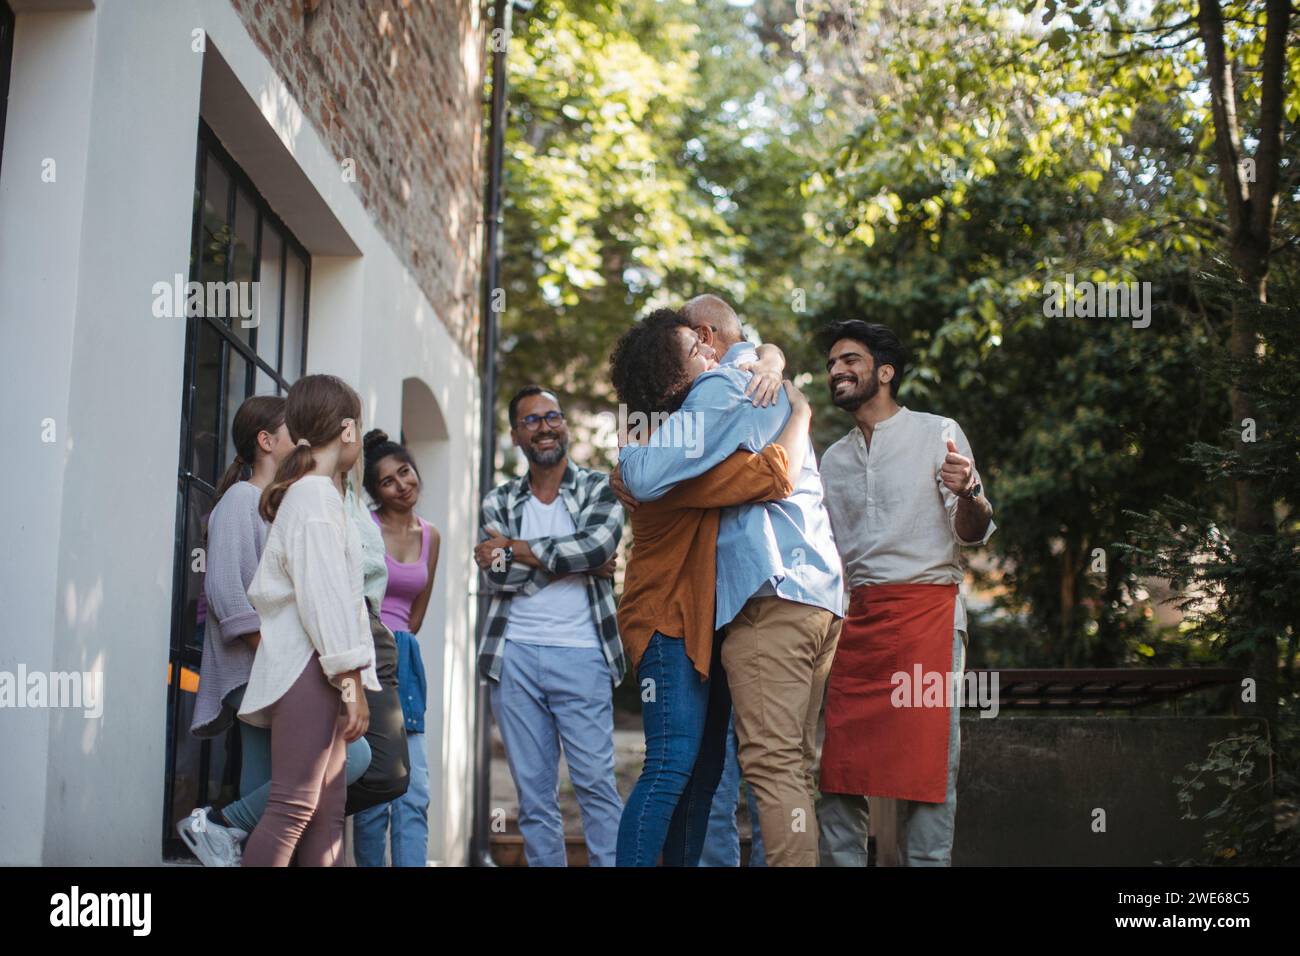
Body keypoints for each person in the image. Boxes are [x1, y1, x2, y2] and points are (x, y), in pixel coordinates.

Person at [614, 294, 844, 867]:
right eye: (696, 349)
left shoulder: (707, 420)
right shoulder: (676, 450)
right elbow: (771, 473)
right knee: (677, 765)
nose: (710, 354)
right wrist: (800, 414)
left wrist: (771, 358)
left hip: (713, 623)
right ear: (675, 375)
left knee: (712, 770)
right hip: (670, 625)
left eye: (703, 340)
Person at [815, 320, 995, 867]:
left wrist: (969, 493)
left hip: (929, 617)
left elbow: (972, 530)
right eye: (831, 364)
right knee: (839, 774)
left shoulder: (938, 432)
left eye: (850, 360)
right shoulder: (831, 460)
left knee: (929, 775)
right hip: (859, 623)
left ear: (885, 373)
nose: (837, 371)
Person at [180, 394, 372, 867]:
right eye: (291, 429)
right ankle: (222, 827)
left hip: (293, 663)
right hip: (277, 665)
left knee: (309, 809)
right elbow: (229, 593)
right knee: (291, 804)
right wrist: (293, 657)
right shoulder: (254, 499)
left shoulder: (295, 497)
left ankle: (228, 832)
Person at [473, 386, 625, 867]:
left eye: (552, 416)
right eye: (532, 420)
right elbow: (499, 576)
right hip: (513, 656)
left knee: (596, 787)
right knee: (535, 798)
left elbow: (598, 548)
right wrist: (575, 558)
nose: (545, 427)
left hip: (583, 653)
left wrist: (517, 546)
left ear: (564, 424)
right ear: (517, 435)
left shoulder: (601, 487)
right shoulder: (497, 500)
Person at [238, 374, 380, 867]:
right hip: (310, 670)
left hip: (314, 670)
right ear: (346, 431)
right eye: (358, 428)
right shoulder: (315, 498)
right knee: (292, 809)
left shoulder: (316, 495)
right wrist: (349, 681)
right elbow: (324, 601)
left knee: (324, 814)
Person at [352, 429, 441, 867]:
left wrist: (398, 643)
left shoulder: (432, 536)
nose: (402, 484)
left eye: (405, 471)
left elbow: (417, 614)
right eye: (388, 481)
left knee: (415, 788)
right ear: (375, 493)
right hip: (367, 655)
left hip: (405, 658)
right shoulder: (363, 527)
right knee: (376, 786)